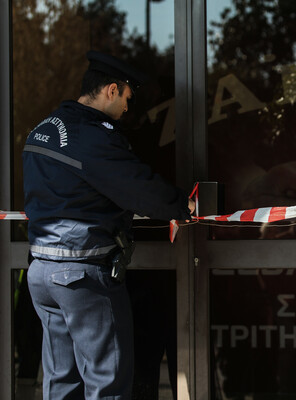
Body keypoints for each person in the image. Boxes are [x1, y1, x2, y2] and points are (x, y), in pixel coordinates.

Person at [23, 51, 195, 400]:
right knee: (109, 383)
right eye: (128, 99)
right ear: (111, 90)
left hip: (42, 271)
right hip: (82, 274)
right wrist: (184, 205)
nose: (128, 109)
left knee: (61, 382)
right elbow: (138, 187)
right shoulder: (93, 136)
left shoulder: (44, 129)